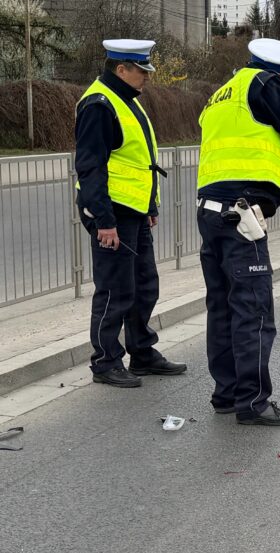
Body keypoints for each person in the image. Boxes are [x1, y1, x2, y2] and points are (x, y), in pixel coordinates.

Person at [196, 38, 280, 426]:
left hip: (210, 211)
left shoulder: (222, 93)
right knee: (253, 310)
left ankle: (227, 394)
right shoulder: (264, 85)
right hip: (242, 215)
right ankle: (253, 402)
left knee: (222, 307)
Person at [74, 39, 187, 387]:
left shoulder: (126, 100)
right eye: (141, 70)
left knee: (144, 286)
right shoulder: (99, 104)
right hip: (112, 213)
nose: (147, 76)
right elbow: (90, 167)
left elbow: (140, 161)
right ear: (121, 69)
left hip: (133, 212)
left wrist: (149, 206)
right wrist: (104, 221)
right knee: (115, 290)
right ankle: (105, 362)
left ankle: (141, 353)